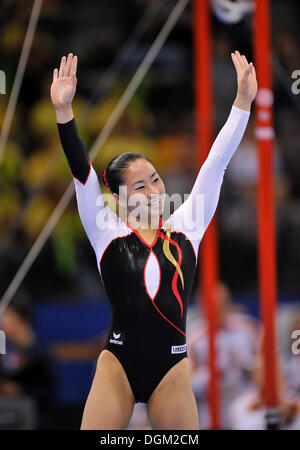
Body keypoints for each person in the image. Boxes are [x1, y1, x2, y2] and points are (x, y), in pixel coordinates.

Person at [50, 50, 257, 429]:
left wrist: (242, 103)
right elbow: (82, 175)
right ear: (120, 198)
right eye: (141, 186)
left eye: (156, 179)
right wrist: (65, 113)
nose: (155, 190)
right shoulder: (105, 230)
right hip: (118, 365)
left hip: (171, 368)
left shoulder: (187, 227)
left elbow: (216, 164)